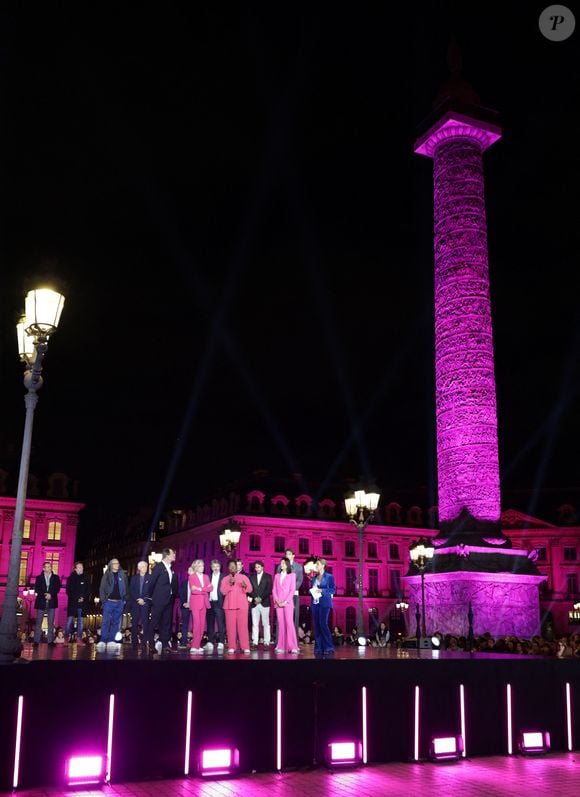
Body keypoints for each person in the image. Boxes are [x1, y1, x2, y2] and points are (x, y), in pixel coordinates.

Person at [147, 548, 178, 654]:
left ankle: (165, 645)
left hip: (169, 600)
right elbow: (151, 583)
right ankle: (151, 645)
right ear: (167, 555)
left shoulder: (170, 568)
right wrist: (152, 597)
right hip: (159, 600)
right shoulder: (159, 567)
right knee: (154, 622)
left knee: (166, 623)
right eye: (173, 553)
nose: (175, 554)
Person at [220, 559, 252, 653]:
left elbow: (250, 589)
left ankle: (245, 646)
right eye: (230, 566)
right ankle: (231, 646)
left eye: (234, 566)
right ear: (228, 568)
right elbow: (223, 591)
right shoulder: (225, 579)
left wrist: (244, 585)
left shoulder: (243, 577)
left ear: (237, 567)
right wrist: (230, 584)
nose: (232, 568)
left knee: (243, 627)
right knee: (230, 627)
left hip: (242, 605)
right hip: (229, 605)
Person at [98, 558, 129, 652]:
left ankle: (111, 640)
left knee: (116, 622)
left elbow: (126, 588)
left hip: (119, 602)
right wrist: (104, 601)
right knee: (106, 621)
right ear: (111, 565)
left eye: (118, 563)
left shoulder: (123, 575)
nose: (117, 565)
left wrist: (124, 600)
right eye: (114, 563)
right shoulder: (106, 575)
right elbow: (102, 588)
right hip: (109, 602)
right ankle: (103, 640)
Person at [309, 558, 336, 657]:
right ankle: (318, 647)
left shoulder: (329, 577)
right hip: (315, 603)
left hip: (325, 603)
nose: (316, 566)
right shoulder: (314, 578)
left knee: (323, 624)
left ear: (323, 565)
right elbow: (312, 589)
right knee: (316, 626)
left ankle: (328, 647)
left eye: (318, 564)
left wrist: (321, 591)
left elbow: (333, 590)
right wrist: (311, 591)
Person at [272, 557, 299, 653]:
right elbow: (274, 589)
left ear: (287, 564)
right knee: (281, 624)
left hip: (288, 603)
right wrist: (277, 600)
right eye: (281, 563)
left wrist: (286, 601)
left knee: (289, 623)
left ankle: (293, 646)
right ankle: (281, 646)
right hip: (278, 603)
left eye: (283, 563)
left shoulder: (292, 575)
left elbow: (292, 590)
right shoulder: (276, 576)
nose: (281, 564)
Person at [32, 561, 62, 647]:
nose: (49, 568)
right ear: (43, 568)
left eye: (50, 567)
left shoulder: (56, 577)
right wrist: (45, 595)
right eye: (47, 567)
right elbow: (37, 589)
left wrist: (51, 595)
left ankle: (50, 641)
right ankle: (36, 641)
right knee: (38, 622)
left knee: (50, 622)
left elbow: (58, 588)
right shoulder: (39, 578)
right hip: (41, 601)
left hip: (52, 602)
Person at [276, 549, 303, 634]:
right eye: (286, 554)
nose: (287, 555)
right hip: (282, 595)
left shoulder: (298, 567)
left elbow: (300, 580)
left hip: (294, 594)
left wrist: (292, 589)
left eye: (289, 554)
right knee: (280, 617)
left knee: (294, 616)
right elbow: (277, 580)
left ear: (293, 555)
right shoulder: (280, 566)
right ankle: (279, 640)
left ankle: (293, 639)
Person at [188, 559, 212, 653]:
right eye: (200, 566)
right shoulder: (192, 577)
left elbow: (211, 588)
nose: (202, 567)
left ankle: (198, 645)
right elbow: (193, 590)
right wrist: (204, 589)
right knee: (197, 624)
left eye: (203, 565)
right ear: (196, 567)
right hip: (195, 602)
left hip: (204, 603)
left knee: (202, 625)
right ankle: (194, 645)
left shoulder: (206, 577)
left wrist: (200, 589)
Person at [65, 562, 91, 643]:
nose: (81, 568)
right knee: (69, 620)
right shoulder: (70, 578)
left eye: (82, 567)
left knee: (81, 621)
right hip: (73, 602)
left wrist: (83, 598)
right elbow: (68, 591)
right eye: (79, 567)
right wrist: (76, 598)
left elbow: (89, 589)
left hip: (82, 603)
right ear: (75, 569)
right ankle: (66, 637)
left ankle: (79, 638)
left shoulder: (86, 578)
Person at [129, 560, 153, 648]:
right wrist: (137, 599)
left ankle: (144, 641)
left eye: (146, 566)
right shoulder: (134, 578)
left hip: (145, 603)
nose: (145, 568)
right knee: (134, 622)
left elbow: (151, 590)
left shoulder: (150, 578)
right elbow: (131, 590)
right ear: (139, 568)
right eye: (143, 567)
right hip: (135, 603)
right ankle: (134, 642)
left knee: (145, 622)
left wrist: (143, 599)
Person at [249, 561, 272, 648]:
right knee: (255, 624)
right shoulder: (252, 578)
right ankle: (255, 642)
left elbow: (269, 590)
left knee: (266, 624)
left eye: (258, 567)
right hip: (254, 603)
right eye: (256, 567)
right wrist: (255, 598)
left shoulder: (268, 576)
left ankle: (266, 642)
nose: (257, 568)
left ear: (262, 567)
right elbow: (250, 590)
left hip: (265, 603)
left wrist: (261, 598)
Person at [206, 559, 226, 652]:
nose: (215, 568)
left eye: (217, 566)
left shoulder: (224, 576)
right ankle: (210, 641)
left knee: (220, 623)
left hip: (219, 602)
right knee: (210, 623)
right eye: (214, 566)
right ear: (211, 567)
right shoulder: (208, 577)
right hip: (209, 602)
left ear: (220, 567)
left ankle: (221, 642)